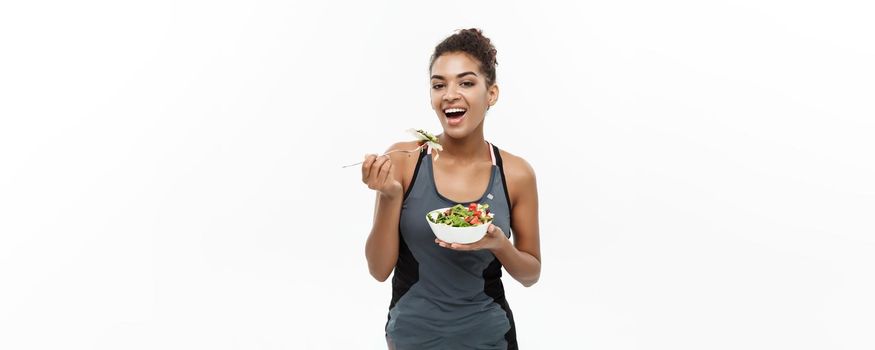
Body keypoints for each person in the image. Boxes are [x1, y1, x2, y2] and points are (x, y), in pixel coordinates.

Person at [360, 28, 541, 350]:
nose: (450, 94)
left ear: (492, 93)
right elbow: (378, 270)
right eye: (438, 85)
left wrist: (500, 245)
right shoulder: (404, 160)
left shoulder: (516, 173)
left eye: (466, 83)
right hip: (412, 336)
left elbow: (530, 275)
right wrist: (389, 196)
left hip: (490, 336)